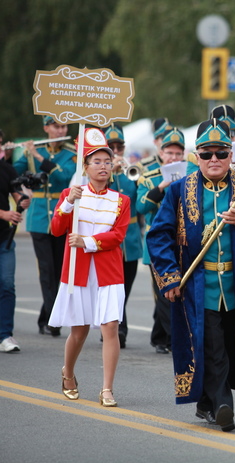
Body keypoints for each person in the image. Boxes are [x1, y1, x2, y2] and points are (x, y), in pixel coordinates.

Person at [146, 118, 235, 432]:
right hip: (197, 285)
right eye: (206, 154)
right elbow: (158, 236)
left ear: (231, 155)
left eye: (221, 153)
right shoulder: (180, 191)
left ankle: (206, 403)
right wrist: (169, 277)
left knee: (233, 343)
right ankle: (223, 405)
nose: (214, 160)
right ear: (196, 156)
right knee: (212, 344)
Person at [49, 127, 130, 407]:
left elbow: (118, 235)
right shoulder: (71, 194)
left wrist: (88, 241)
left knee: (110, 327)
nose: (104, 166)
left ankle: (107, 388)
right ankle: (68, 372)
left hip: (109, 271)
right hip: (78, 272)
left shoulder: (121, 200)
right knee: (79, 330)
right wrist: (68, 203)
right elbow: (57, 229)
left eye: (107, 161)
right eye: (97, 161)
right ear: (85, 166)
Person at [14, 116, 76, 337]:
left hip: (62, 216)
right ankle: (53, 318)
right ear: (46, 128)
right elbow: (14, 172)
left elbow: (63, 177)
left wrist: (38, 156)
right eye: (56, 126)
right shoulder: (31, 150)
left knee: (60, 271)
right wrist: (22, 153)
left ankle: (45, 316)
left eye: (63, 126)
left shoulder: (70, 153)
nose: (61, 130)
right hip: (39, 218)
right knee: (47, 269)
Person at [137, 128, 186, 354]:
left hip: (183, 242)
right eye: (169, 153)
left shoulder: (190, 176)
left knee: (175, 292)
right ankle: (177, 341)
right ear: (161, 152)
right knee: (165, 292)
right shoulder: (149, 177)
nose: (174, 158)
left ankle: (159, 337)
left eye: (178, 154)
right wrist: (162, 186)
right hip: (158, 246)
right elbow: (141, 207)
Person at [103, 123, 142, 349]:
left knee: (125, 289)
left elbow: (140, 197)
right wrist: (109, 171)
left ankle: (116, 324)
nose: (116, 151)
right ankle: (119, 329)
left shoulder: (131, 172)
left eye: (120, 146)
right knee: (113, 288)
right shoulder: (100, 173)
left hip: (131, 239)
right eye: (112, 146)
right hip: (109, 241)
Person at [0, 124, 29, 352]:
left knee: (7, 286)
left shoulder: (7, 170)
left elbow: (18, 194)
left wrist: (23, 200)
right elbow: (5, 209)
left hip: (3, 239)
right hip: (0, 227)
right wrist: (5, 213)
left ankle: (6, 335)